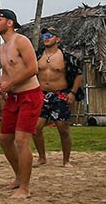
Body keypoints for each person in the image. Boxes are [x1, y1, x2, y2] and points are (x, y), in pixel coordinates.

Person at [0, 9, 41, 199]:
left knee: (21, 141)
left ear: (10, 22)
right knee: (4, 140)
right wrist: (2, 86)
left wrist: (10, 84)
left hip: (29, 95)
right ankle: (19, 177)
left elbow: (32, 69)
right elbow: (6, 71)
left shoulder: (21, 41)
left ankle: (25, 189)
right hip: (13, 97)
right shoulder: (2, 47)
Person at [32, 27, 82, 167]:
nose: (46, 38)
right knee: (35, 127)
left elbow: (79, 75)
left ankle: (66, 160)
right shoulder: (37, 56)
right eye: (44, 35)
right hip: (41, 94)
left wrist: (72, 93)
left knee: (63, 128)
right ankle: (42, 158)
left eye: (50, 35)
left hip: (59, 94)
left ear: (58, 39)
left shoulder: (67, 57)